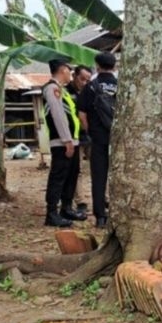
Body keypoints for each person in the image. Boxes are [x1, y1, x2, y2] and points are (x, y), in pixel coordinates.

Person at [42, 58, 85, 227]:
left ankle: (66, 208)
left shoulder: (62, 90)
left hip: (71, 141)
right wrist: (66, 140)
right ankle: (51, 212)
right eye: (69, 70)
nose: (71, 74)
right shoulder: (52, 89)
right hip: (62, 142)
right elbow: (58, 116)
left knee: (71, 175)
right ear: (63, 70)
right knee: (58, 176)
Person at [77, 52, 117, 228]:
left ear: (97, 66)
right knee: (119, 177)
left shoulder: (90, 87)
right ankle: (117, 212)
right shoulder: (120, 85)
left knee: (99, 178)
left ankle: (100, 216)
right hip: (118, 140)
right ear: (114, 66)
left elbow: (82, 115)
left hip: (98, 139)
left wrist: (90, 131)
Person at [67, 65, 92, 214]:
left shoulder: (91, 91)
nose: (84, 83)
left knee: (100, 168)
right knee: (78, 170)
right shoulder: (66, 92)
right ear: (74, 76)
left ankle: (105, 198)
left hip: (91, 134)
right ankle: (80, 201)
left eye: (87, 80)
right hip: (74, 135)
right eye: (82, 79)